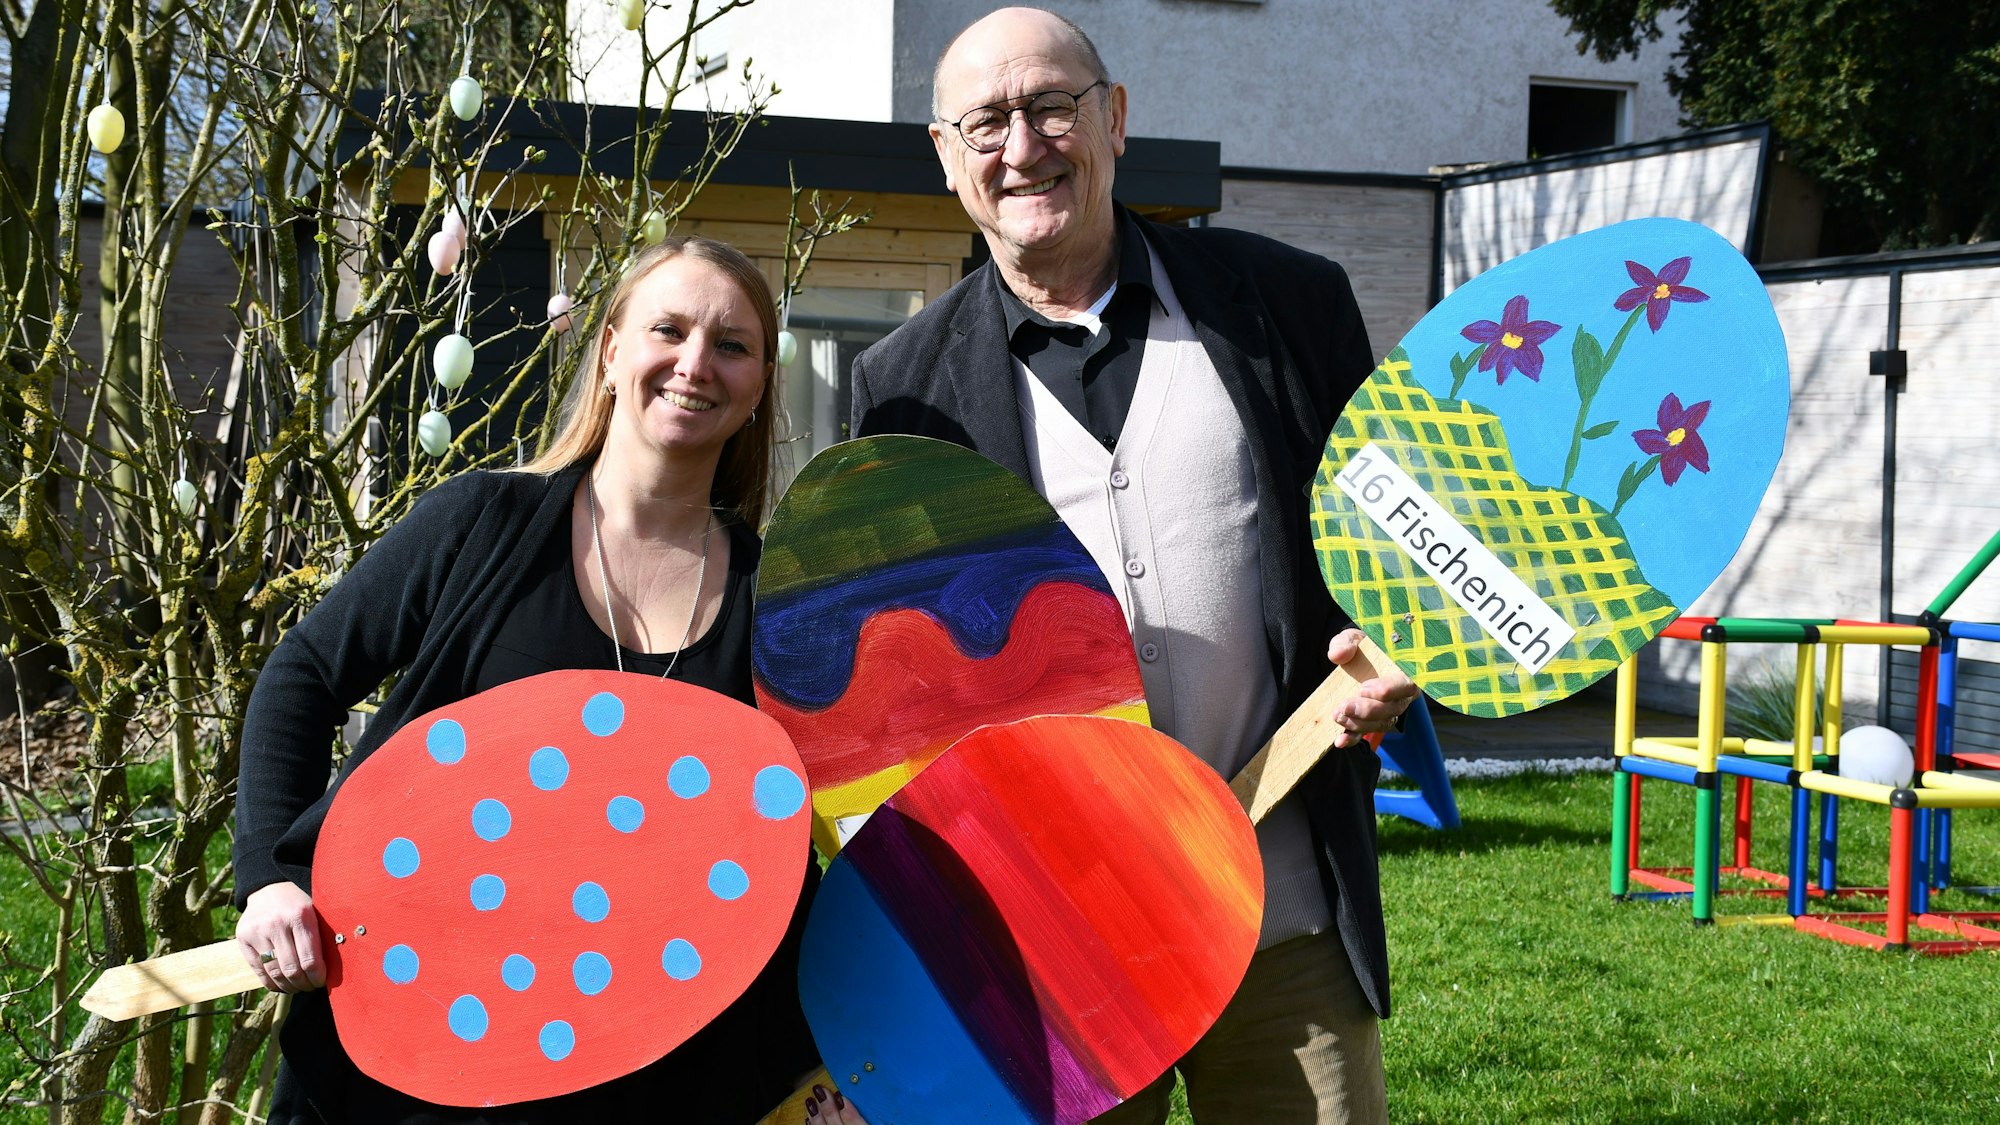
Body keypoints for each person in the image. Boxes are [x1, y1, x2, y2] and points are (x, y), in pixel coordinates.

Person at [844, 8, 1418, 1124]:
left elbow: (1392, 537)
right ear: (944, 157)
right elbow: (904, 689)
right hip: (1061, 944)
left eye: (1050, 106)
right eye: (986, 122)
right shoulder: (898, 388)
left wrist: (1406, 653)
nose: (1022, 146)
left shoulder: (1283, 305)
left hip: (1283, 910)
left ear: (1112, 120)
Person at [232, 236, 820, 1124]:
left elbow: (787, 861)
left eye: (732, 345)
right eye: (669, 328)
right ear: (614, 349)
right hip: (405, 1064)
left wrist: (818, 1076)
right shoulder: (481, 525)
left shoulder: (777, 606)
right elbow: (303, 673)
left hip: (641, 1088)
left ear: (758, 387)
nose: (696, 362)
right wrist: (270, 875)